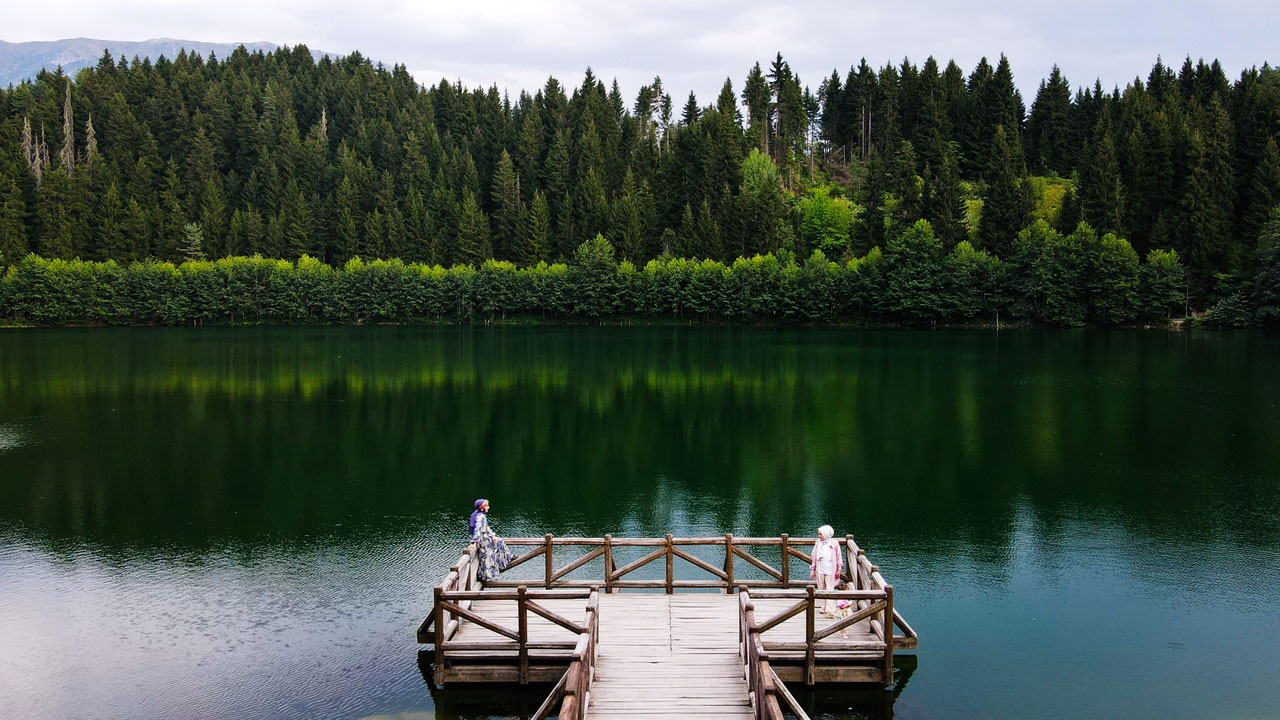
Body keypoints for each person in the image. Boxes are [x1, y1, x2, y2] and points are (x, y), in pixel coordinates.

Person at [469, 499, 514, 582]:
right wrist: (474, 542)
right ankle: (486, 575)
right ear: (482, 507)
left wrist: (492, 535)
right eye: (487, 506)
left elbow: (486, 528)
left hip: (485, 538)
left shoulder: (480, 515)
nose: (488, 508)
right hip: (482, 540)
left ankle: (506, 559)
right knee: (486, 556)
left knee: (498, 542)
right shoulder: (480, 517)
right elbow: (478, 530)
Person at [808, 524, 842, 616]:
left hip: (831, 569)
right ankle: (824, 606)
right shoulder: (818, 543)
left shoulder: (834, 543)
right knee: (821, 588)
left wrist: (839, 568)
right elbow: (814, 557)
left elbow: (838, 556)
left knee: (830, 589)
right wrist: (812, 569)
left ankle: (830, 609)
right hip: (820, 569)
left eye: (821, 534)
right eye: (819, 534)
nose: (819, 536)